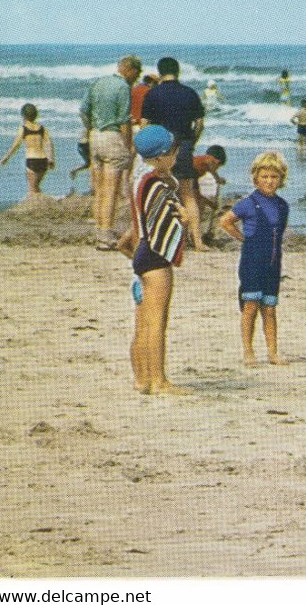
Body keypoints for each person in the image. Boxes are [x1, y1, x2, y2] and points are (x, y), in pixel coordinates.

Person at [116, 125, 192, 396]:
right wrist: (183, 221)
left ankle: (142, 379)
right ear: (162, 156)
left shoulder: (140, 180)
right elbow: (164, 226)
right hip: (156, 258)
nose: (176, 155)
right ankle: (159, 381)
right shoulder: (157, 186)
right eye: (173, 152)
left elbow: (134, 229)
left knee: (142, 322)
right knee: (157, 322)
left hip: (141, 255)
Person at [219, 152, 291, 367]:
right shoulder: (248, 203)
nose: (269, 181)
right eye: (265, 176)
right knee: (250, 305)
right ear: (256, 178)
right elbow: (225, 221)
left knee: (269, 308)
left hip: (273, 262)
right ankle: (248, 351)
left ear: (281, 179)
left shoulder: (282, 205)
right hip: (251, 262)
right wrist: (244, 240)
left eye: (274, 177)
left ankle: (272, 352)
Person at [140, 57, 206, 252]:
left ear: (159, 72)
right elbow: (199, 123)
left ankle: (163, 238)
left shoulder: (153, 94)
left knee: (159, 193)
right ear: (178, 71)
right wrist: (191, 141)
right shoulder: (190, 93)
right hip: (183, 144)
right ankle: (198, 241)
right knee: (188, 193)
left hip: (161, 148)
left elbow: (144, 125)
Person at [81, 54, 142, 249]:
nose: (137, 78)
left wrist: (90, 127)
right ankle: (105, 235)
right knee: (111, 190)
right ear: (130, 70)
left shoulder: (98, 82)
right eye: (137, 73)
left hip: (95, 135)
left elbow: (84, 110)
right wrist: (128, 145)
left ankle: (101, 229)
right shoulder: (123, 87)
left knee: (99, 189)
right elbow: (124, 120)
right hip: (112, 136)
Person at [0, 103, 56, 196]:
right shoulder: (42, 128)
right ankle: (44, 205)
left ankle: (36, 207)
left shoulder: (23, 129)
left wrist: (6, 158)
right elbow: (49, 143)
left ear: (23, 116)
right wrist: (51, 159)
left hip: (32, 160)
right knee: (36, 187)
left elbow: (15, 145)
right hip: (43, 160)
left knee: (32, 189)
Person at [193, 145, 229, 239]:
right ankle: (193, 235)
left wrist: (210, 203)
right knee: (196, 208)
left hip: (189, 181)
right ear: (217, 161)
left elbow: (197, 194)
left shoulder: (198, 170)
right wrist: (217, 178)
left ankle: (194, 233)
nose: (217, 168)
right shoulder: (202, 161)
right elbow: (209, 161)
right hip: (179, 180)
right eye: (218, 166)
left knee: (199, 205)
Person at [69, 128, 92, 195]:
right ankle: (92, 188)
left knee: (89, 164)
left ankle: (74, 170)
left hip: (81, 144)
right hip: (86, 143)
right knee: (94, 165)